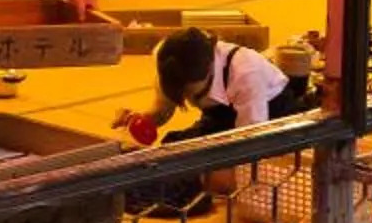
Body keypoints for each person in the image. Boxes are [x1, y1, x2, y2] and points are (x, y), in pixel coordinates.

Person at [116, 27, 311, 144]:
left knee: (202, 166)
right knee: (172, 145)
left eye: (190, 92)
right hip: (220, 117)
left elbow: (252, 143)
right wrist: (137, 120)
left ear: (211, 69)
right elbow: (162, 111)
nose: (186, 98)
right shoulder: (166, 57)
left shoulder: (245, 73)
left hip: (270, 114)